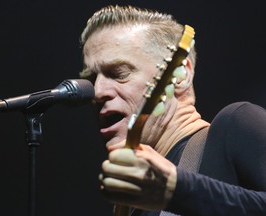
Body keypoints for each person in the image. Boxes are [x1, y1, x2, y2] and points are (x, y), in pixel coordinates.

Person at [79, 5, 266, 216]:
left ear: (180, 76)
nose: (97, 91)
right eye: (92, 79)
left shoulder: (236, 124)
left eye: (119, 73)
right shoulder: (136, 201)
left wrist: (177, 190)